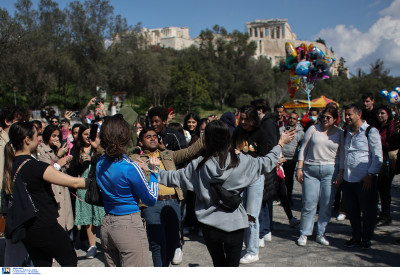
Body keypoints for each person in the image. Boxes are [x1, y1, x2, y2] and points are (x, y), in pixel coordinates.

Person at [156, 120, 295, 266]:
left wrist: (153, 171)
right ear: (228, 138)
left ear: (207, 139)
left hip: (210, 225)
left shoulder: (199, 164)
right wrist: (280, 144)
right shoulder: (242, 161)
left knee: (218, 264)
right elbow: (266, 162)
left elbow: (173, 177)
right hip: (234, 223)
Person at [3, 122, 88, 267]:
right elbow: (74, 183)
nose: (40, 139)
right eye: (37, 136)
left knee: (42, 264)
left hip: (27, 229)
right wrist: (97, 182)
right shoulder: (34, 166)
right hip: (45, 224)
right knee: (69, 260)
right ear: (27, 140)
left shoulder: (11, 166)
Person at [130, 127, 204, 267]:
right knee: (157, 243)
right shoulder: (135, 159)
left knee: (172, 243)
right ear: (140, 141)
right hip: (151, 205)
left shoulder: (168, 155)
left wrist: (206, 136)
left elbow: (190, 151)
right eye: (148, 136)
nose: (153, 138)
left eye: (155, 136)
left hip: (173, 203)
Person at [96, 115, 158, 267]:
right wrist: (154, 173)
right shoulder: (130, 168)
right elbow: (151, 199)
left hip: (107, 224)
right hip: (128, 225)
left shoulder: (99, 163)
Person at [296, 107, 344, 246]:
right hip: (311, 169)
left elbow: (342, 154)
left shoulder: (340, 133)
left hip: (331, 170)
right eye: (324, 116)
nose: (325, 119)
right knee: (309, 203)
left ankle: (321, 233)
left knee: (326, 204)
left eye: (329, 117)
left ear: (335, 119)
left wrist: (341, 173)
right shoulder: (313, 129)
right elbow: (303, 148)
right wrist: (299, 167)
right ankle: (304, 233)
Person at [232, 105, 269, 264]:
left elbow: (263, 161)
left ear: (254, 119)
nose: (243, 121)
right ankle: (246, 244)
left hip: (255, 177)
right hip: (239, 177)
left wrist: (244, 157)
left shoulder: (261, 134)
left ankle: (253, 251)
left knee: (251, 214)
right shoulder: (237, 132)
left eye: (246, 119)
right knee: (239, 213)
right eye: (241, 118)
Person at [342, 104, 382, 249]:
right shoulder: (346, 132)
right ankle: (356, 236)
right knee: (352, 211)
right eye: (345, 115)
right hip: (348, 179)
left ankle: (366, 238)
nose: (347, 117)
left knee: (368, 211)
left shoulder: (370, 131)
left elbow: (377, 156)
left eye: (349, 114)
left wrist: (370, 174)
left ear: (358, 114)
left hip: (365, 179)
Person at [67, 123, 105, 259]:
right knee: (88, 217)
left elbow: (105, 162)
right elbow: (71, 170)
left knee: (101, 215)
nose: (88, 137)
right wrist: (79, 162)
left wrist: (92, 159)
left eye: (91, 134)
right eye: (85, 134)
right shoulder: (76, 150)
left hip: (99, 183)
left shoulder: (99, 148)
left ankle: (106, 244)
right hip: (83, 185)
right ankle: (92, 245)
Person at [37, 125, 74, 235]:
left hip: (63, 191)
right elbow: (46, 171)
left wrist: (65, 158)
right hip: (53, 191)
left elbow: (64, 168)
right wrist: (58, 157)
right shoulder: (42, 150)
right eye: (54, 136)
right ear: (47, 136)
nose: (57, 139)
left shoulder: (56, 150)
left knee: (67, 226)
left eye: (58, 136)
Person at [375, 106, 397, 227]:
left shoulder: (392, 127)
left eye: (382, 113)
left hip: (388, 160)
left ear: (388, 114)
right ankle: (383, 214)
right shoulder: (379, 127)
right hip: (380, 159)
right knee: (381, 188)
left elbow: (389, 142)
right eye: (378, 113)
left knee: (385, 188)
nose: (380, 116)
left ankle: (386, 215)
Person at [280, 111, 304, 203]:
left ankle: (288, 197)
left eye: (294, 119)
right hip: (282, 158)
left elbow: (302, 146)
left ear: (297, 120)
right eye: (290, 118)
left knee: (289, 179)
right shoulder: (281, 129)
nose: (291, 120)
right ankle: (280, 197)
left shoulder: (300, 133)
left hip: (292, 159)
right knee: (281, 179)